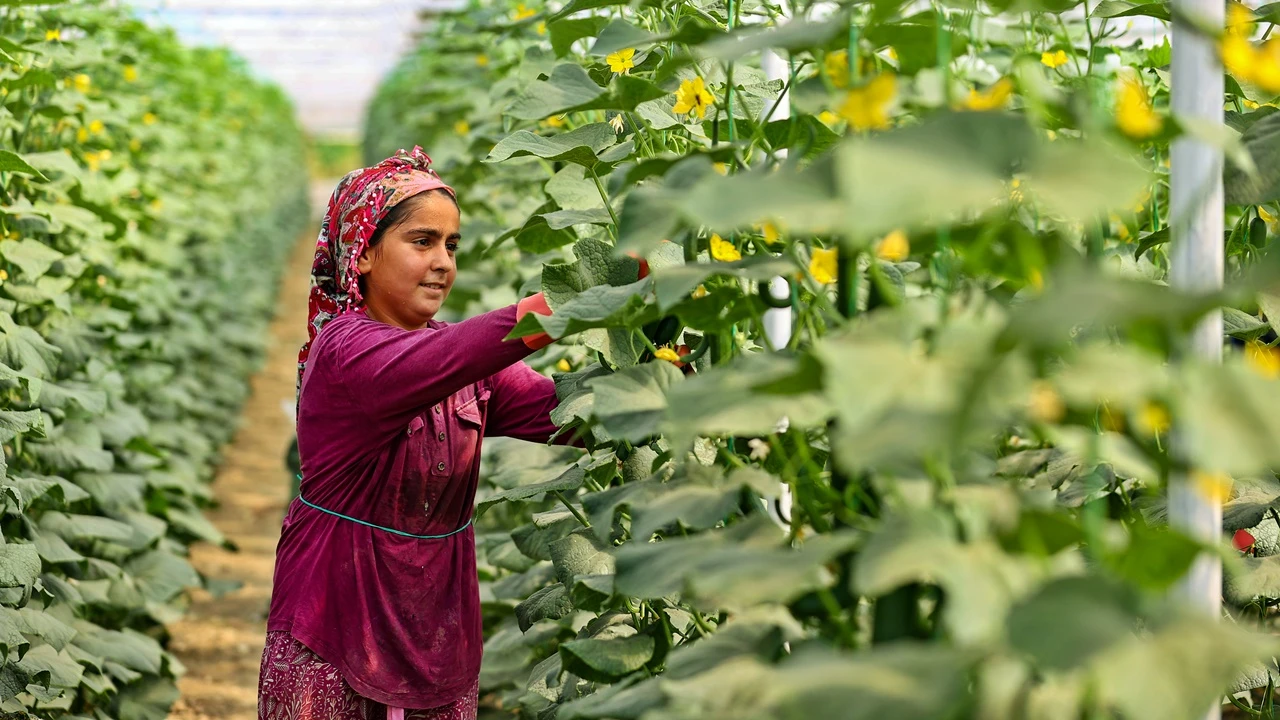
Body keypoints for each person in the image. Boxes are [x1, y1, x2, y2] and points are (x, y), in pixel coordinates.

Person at [258, 147, 572, 720]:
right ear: (365, 254)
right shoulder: (346, 349)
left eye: (451, 245)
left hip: (435, 624)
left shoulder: (466, 364)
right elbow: (449, 358)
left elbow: (567, 415)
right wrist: (582, 295)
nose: (443, 263)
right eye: (422, 242)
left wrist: (657, 372)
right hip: (336, 616)